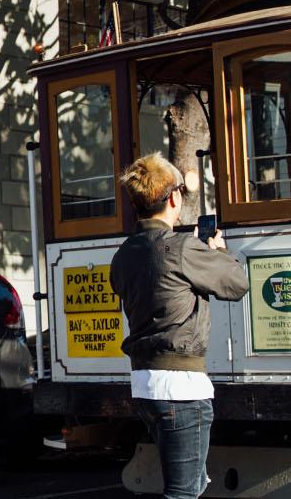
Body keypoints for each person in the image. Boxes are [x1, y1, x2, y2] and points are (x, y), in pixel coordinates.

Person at [109, 155, 248, 499]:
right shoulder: (182, 248)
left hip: (145, 383)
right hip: (181, 388)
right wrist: (218, 252)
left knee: (191, 486)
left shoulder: (124, 254)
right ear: (172, 198)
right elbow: (237, 283)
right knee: (184, 492)